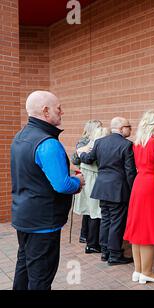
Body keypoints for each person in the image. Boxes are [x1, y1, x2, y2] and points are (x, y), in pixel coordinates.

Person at [11, 90, 85, 290]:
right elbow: (62, 185)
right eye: (58, 108)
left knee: (24, 268)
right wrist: (77, 181)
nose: (62, 112)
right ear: (45, 111)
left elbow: (34, 173)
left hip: (24, 216)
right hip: (43, 222)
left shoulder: (20, 136)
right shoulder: (48, 143)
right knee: (41, 278)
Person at [78, 117, 137, 265]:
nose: (131, 129)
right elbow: (130, 172)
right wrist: (133, 191)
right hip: (118, 189)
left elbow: (89, 158)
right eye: (129, 126)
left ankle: (105, 252)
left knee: (106, 219)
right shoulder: (127, 145)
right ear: (122, 128)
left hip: (102, 187)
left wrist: (80, 154)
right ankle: (115, 254)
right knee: (116, 222)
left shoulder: (100, 142)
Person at [124, 110, 154, 284]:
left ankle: (138, 270)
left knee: (137, 229)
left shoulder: (138, 143)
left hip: (139, 183)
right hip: (153, 185)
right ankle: (147, 272)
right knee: (148, 229)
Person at [73, 126, 110, 254]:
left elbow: (76, 160)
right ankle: (93, 243)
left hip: (85, 178)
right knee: (96, 211)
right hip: (93, 179)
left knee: (89, 211)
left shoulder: (86, 146)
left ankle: (89, 240)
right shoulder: (97, 147)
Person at [71, 120, 102, 244]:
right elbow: (75, 160)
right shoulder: (85, 141)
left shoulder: (95, 140)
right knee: (91, 208)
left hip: (90, 176)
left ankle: (85, 235)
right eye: (99, 127)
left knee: (89, 207)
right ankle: (87, 236)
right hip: (88, 177)